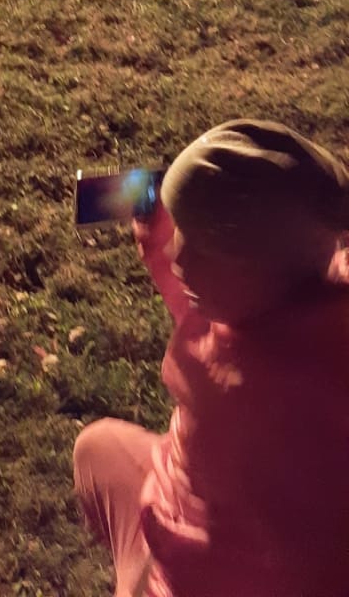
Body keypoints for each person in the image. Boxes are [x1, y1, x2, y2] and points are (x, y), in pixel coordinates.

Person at [73, 119, 349, 597]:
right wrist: (162, 227)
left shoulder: (250, 400)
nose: (178, 256)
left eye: (204, 247)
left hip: (196, 573)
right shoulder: (294, 292)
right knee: (98, 448)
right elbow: (214, 315)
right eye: (183, 231)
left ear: (265, 269)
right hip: (201, 512)